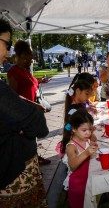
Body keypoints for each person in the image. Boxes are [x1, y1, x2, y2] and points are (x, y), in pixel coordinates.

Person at [0, 18, 49, 207]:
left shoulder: (26, 71)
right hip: (12, 172)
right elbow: (39, 125)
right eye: (7, 44)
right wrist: (29, 112)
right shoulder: (13, 73)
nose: (7, 52)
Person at [7, 40, 52, 165]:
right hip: (23, 112)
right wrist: (35, 105)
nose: (32, 58)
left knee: (32, 137)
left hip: (31, 111)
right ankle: (30, 163)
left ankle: (35, 157)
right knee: (26, 139)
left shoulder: (25, 70)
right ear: (23, 55)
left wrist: (41, 80)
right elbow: (13, 96)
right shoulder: (14, 72)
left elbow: (31, 84)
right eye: (30, 55)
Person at [61, 108, 97, 208]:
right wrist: (86, 153)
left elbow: (93, 139)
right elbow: (72, 165)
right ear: (73, 129)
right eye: (84, 130)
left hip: (88, 181)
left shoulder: (86, 138)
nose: (88, 133)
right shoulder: (71, 146)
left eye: (90, 129)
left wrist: (92, 142)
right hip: (78, 185)